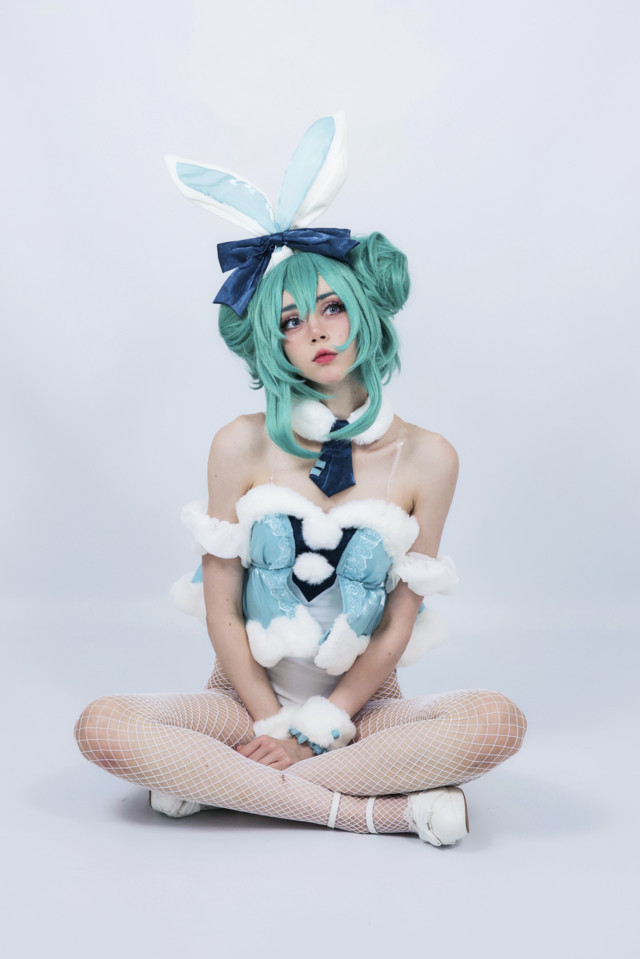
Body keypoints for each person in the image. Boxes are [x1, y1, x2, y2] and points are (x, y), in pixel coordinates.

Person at [74, 114, 526, 845]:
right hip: (241, 700)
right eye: (289, 320)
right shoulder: (239, 444)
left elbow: (398, 620)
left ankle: (223, 784)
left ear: (364, 315)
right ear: (271, 341)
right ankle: (382, 811)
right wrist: (272, 724)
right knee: (102, 725)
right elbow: (222, 609)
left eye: (332, 307)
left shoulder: (429, 457)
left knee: (497, 721)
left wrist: (322, 726)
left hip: (364, 709)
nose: (315, 331)